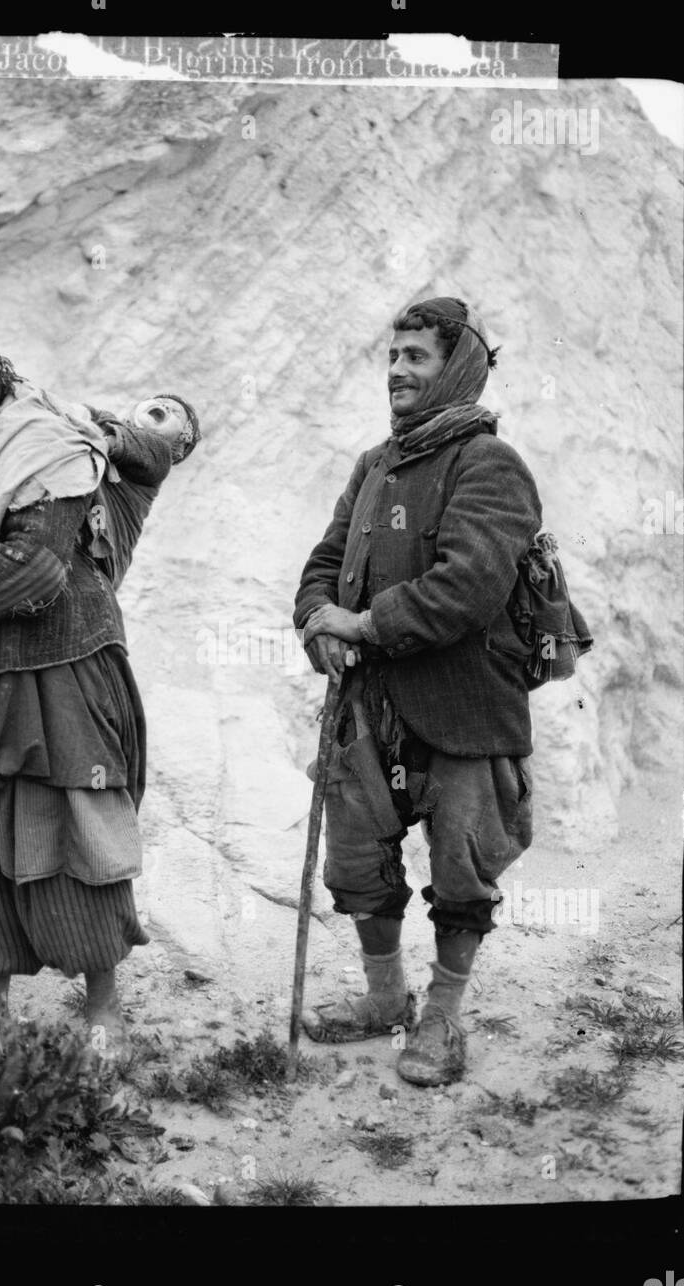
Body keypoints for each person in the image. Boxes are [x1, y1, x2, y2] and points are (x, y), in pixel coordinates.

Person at [0, 298, 198, 1059]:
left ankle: (102, 1001)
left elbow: (36, 569)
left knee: (76, 826)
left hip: (62, 668)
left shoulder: (44, 442)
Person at [293, 296, 543, 1087]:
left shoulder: (489, 465)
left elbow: (468, 586)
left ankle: (441, 1016)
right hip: (366, 707)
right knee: (357, 856)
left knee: (462, 869)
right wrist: (316, 624)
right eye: (392, 358)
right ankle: (382, 999)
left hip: (465, 704)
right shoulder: (375, 464)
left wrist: (361, 624)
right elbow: (323, 564)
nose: (397, 372)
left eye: (416, 358)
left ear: (454, 368)